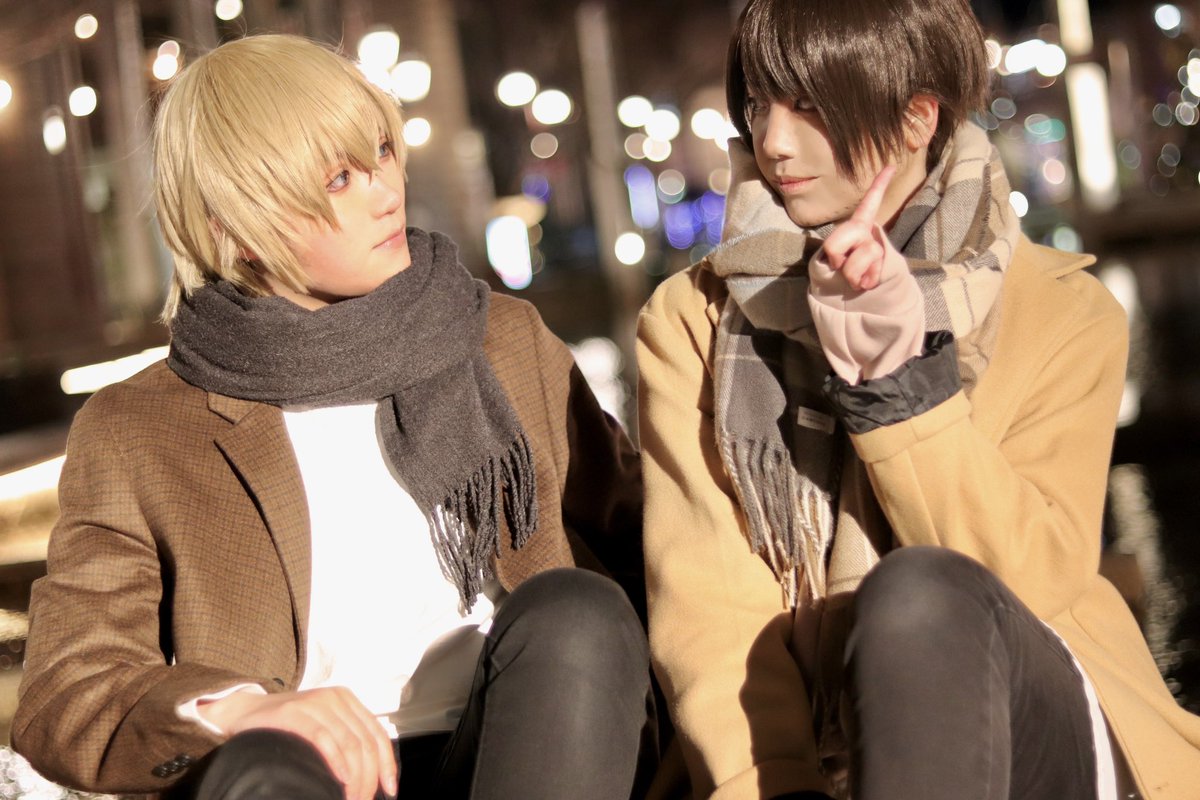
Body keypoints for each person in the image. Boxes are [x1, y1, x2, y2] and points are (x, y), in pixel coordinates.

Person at [13, 34, 651, 800]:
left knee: (578, 611)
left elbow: (650, 540)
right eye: (339, 179)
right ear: (237, 230)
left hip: (536, 747)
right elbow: (68, 688)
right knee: (260, 766)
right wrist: (241, 710)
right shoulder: (139, 428)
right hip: (307, 779)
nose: (386, 192)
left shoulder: (503, 341)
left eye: (380, 152)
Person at [636, 0, 1200, 798]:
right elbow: (712, 611)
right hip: (813, 756)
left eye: (809, 105)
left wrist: (898, 386)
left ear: (916, 119)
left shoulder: (1065, 312)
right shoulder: (693, 319)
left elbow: (1036, 580)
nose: (773, 141)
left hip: (1040, 722)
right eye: (759, 104)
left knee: (918, 595)